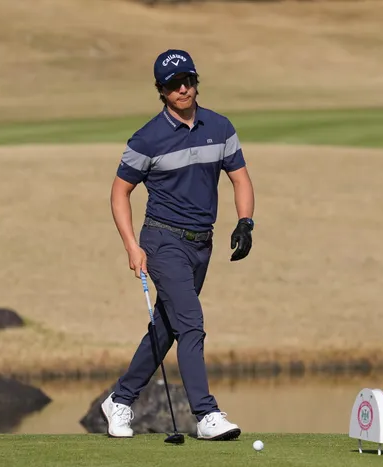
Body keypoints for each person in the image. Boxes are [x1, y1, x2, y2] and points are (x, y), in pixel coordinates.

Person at [102, 49, 256, 441]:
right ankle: (205, 414)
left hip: (201, 245)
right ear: (162, 90)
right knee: (191, 324)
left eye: (188, 81)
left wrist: (245, 222)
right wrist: (132, 246)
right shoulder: (147, 138)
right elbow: (119, 193)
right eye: (173, 85)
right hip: (163, 241)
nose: (183, 89)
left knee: (167, 328)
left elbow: (240, 178)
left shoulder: (219, 127)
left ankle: (120, 399)